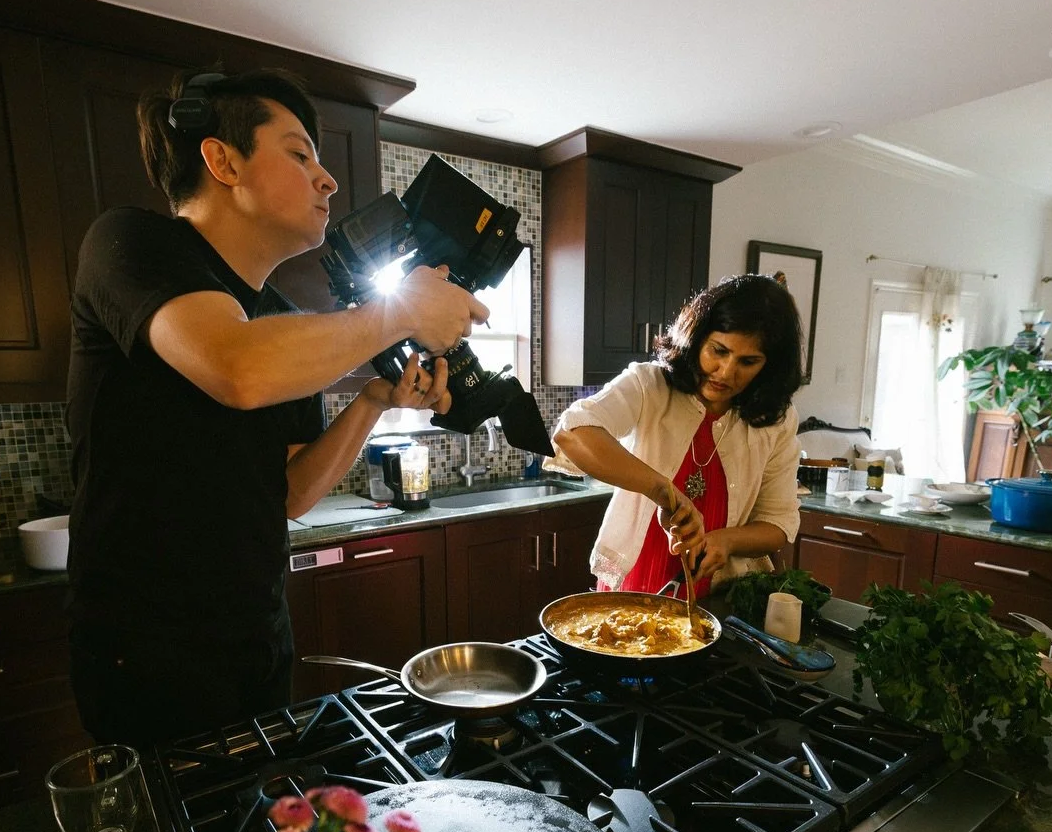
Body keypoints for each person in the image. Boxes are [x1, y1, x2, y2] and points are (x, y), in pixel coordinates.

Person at [65, 67, 488, 747]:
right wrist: (400, 310)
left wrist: (376, 400)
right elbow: (237, 368)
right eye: (299, 155)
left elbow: (289, 493)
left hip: (256, 628)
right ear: (222, 159)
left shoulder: (279, 318)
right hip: (146, 645)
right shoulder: (131, 245)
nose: (328, 181)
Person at [551, 274, 803, 598]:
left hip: (720, 594)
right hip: (637, 578)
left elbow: (777, 524)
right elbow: (573, 433)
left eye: (748, 361)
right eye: (719, 350)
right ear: (697, 337)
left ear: (769, 367)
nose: (726, 372)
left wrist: (725, 541)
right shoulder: (650, 386)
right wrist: (664, 493)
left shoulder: (776, 421)